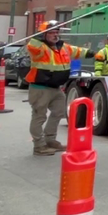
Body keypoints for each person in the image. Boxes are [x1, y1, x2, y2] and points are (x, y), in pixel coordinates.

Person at [26, 21, 91, 156]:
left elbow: (78, 51)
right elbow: (33, 46)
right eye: (51, 33)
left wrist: (94, 54)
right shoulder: (39, 48)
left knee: (59, 112)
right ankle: (39, 145)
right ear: (43, 34)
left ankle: (50, 140)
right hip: (40, 88)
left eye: (56, 32)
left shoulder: (63, 47)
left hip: (56, 88)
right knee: (39, 116)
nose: (55, 35)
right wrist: (38, 36)